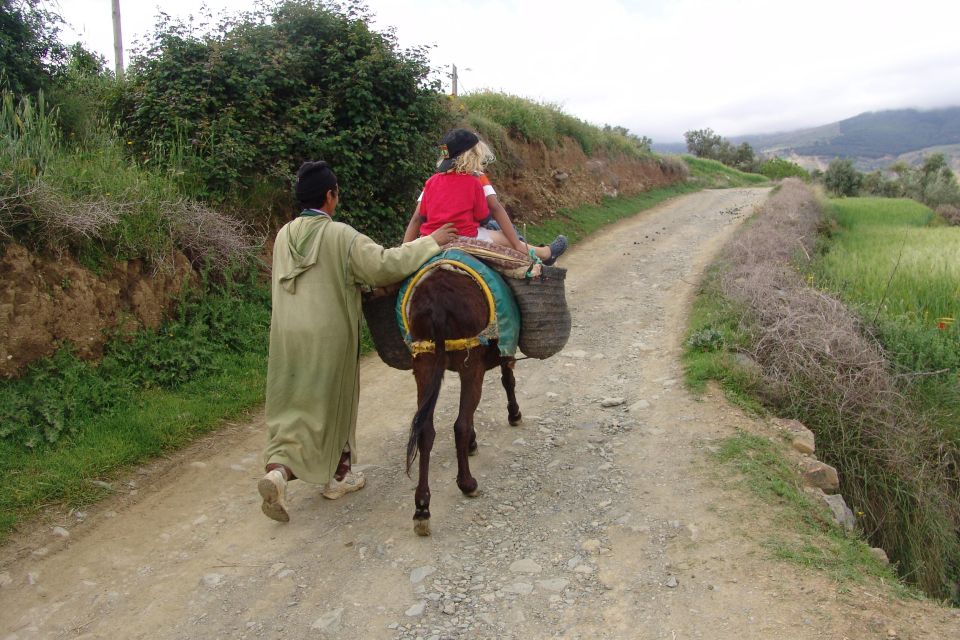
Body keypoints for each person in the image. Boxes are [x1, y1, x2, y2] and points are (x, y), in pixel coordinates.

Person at [258, 161, 457, 523]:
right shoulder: (341, 236)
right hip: (328, 335)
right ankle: (338, 477)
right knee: (333, 405)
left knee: (293, 406)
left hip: (288, 334)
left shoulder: (284, 235)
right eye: (337, 193)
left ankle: (278, 473)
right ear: (330, 196)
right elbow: (384, 264)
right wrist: (432, 241)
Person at [402, 129, 567, 265]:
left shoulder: (431, 182)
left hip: (429, 238)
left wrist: (405, 252)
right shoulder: (475, 181)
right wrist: (516, 243)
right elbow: (486, 215)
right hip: (465, 236)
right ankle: (544, 254)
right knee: (504, 237)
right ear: (474, 154)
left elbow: (418, 217)